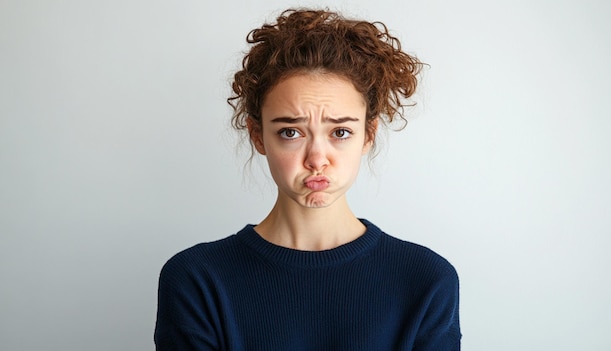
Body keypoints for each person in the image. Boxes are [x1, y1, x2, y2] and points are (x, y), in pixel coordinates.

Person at [155, 8, 460, 351]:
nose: (317, 158)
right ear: (258, 135)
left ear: (368, 134)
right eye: (291, 132)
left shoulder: (426, 280)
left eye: (340, 132)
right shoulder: (198, 280)